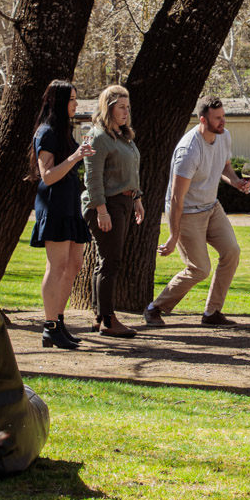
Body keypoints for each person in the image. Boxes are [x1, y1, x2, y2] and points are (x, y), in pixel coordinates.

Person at [144, 97, 250, 328]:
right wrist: (173, 235)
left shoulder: (224, 136)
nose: (223, 122)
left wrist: (235, 182)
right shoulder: (188, 150)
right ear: (203, 120)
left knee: (232, 251)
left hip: (211, 207)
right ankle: (155, 308)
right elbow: (175, 197)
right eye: (217, 118)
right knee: (199, 269)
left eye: (223, 116)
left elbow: (224, 165)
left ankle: (212, 312)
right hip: (188, 213)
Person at [31, 79, 94, 349]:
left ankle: (58, 320)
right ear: (58, 102)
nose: (76, 104)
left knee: (75, 264)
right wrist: (74, 157)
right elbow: (47, 175)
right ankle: (50, 327)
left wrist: (80, 155)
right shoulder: (46, 133)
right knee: (56, 266)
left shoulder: (64, 131)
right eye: (71, 100)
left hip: (70, 205)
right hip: (54, 205)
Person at [83, 85, 144, 339]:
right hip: (106, 204)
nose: (126, 112)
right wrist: (102, 211)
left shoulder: (123, 136)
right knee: (111, 261)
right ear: (108, 108)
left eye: (128, 108)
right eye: (121, 107)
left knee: (105, 261)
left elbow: (132, 171)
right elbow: (93, 178)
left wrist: (138, 198)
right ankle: (109, 320)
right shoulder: (98, 137)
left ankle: (99, 316)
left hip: (125, 203)